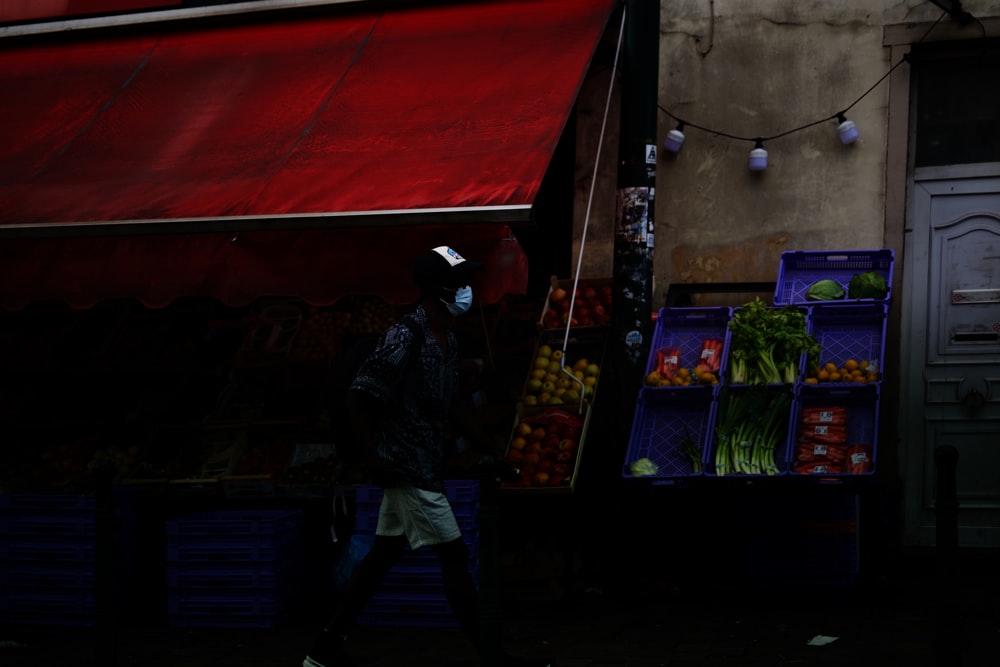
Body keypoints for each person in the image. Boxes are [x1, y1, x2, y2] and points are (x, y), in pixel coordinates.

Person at [303, 245, 553, 667]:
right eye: (459, 282)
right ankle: (494, 657)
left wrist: (496, 451)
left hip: (422, 465)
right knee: (454, 559)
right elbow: (357, 398)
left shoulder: (448, 338)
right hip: (407, 468)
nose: (466, 289)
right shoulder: (406, 336)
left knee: (381, 559)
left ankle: (324, 651)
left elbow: (451, 403)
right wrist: (373, 460)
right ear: (435, 288)